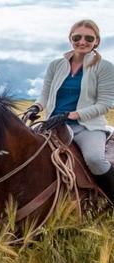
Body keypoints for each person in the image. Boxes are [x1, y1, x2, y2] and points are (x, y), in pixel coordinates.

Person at [24, 19, 114, 203]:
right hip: (52, 125)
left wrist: (73, 115)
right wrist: (36, 107)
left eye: (89, 38)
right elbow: (45, 94)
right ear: (70, 39)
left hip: (86, 127)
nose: (82, 42)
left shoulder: (104, 67)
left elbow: (105, 103)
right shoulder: (56, 65)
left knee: (95, 159)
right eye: (77, 37)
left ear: (96, 41)